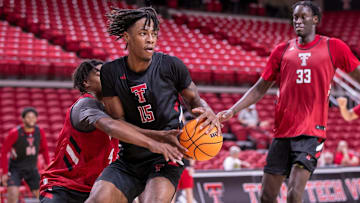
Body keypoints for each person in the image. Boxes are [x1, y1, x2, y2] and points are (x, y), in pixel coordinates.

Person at [217, 1, 360, 202]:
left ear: (316, 20)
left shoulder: (333, 46)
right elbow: (259, 88)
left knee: (294, 193)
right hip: (283, 132)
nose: (298, 21)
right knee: (266, 196)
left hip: (312, 133)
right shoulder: (281, 51)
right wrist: (232, 111)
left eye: (304, 17)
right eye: (295, 17)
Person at [86, 7, 220, 203]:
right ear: (126, 37)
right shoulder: (110, 72)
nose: (150, 39)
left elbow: (194, 101)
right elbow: (118, 124)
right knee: (97, 200)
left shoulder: (171, 65)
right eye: (143, 33)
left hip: (167, 156)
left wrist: (207, 112)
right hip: (130, 158)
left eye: (153, 34)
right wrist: (154, 139)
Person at [40, 60, 184, 203]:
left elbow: (128, 129)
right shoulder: (85, 104)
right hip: (63, 187)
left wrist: (160, 135)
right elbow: (109, 125)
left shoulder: (118, 111)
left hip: (96, 187)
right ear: (86, 82)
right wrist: (152, 142)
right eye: (100, 73)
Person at [1, 107, 50, 203]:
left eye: (33, 117)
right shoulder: (15, 133)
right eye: (28, 117)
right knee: (12, 194)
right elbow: (4, 152)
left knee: (43, 196)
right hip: (15, 168)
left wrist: (47, 165)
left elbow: (44, 149)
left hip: (32, 168)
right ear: (23, 119)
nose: (31, 119)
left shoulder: (39, 131)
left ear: (36, 119)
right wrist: (5, 173)